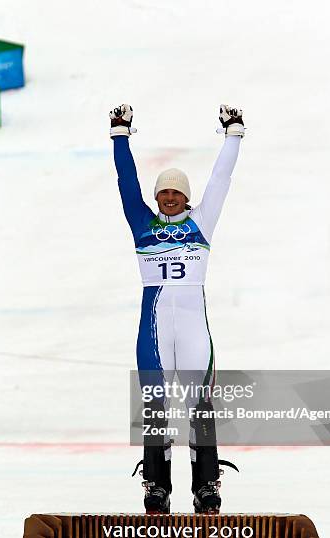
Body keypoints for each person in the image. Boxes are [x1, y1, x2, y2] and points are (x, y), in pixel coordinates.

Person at [110, 103, 244, 513]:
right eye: (164, 192)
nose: (169, 198)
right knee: (155, 406)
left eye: (176, 192)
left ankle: (206, 485)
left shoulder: (201, 222)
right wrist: (119, 135)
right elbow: (126, 182)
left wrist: (233, 134)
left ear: (186, 197)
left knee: (199, 405)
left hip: (192, 331)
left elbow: (221, 179)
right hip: (151, 331)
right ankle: (157, 485)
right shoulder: (142, 223)